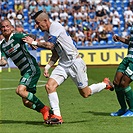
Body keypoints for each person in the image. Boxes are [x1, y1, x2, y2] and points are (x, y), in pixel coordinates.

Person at [22, 10, 114, 124]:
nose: (37, 26)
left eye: (38, 23)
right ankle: (57, 116)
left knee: (85, 93)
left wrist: (34, 42)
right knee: (49, 86)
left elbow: (50, 45)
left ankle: (105, 84)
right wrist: (47, 66)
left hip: (75, 62)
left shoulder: (55, 26)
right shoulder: (46, 34)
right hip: (63, 64)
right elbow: (55, 52)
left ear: (45, 21)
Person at [0, 19, 51, 122]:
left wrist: (32, 42)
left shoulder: (17, 37)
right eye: (3, 27)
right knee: (26, 102)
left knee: (20, 90)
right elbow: (4, 61)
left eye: (7, 26)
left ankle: (45, 109)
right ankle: (47, 112)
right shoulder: (3, 46)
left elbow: (31, 36)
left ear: (12, 28)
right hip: (24, 72)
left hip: (31, 68)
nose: (5, 28)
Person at [110, 29, 133, 117]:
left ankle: (132, 109)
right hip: (128, 58)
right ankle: (123, 108)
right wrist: (120, 39)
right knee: (116, 82)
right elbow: (130, 42)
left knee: (124, 83)